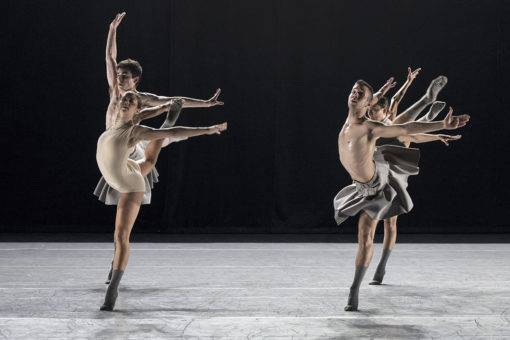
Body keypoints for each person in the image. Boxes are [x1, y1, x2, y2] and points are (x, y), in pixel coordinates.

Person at [98, 12, 224, 285]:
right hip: (114, 145)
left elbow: (175, 100)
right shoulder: (115, 95)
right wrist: (112, 30)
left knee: (158, 142)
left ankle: (168, 132)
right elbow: (109, 57)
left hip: (133, 143)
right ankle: (166, 133)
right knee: (154, 142)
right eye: (118, 75)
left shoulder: (142, 99)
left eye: (125, 76)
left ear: (136, 80)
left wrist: (205, 103)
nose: (119, 79)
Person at [334, 79, 469, 311]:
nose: (354, 95)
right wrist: (380, 91)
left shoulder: (370, 127)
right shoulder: (349, 118)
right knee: (368, 232)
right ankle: (427, 103)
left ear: (368, 104)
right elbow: (371, 98)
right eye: (353, 91)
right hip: (360, 184)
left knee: (367, 234)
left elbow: (406, 129)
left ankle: (354, 289)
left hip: (377, 186)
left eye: (360, 94)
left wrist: (441, 126)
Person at [97, 91, 227, 311]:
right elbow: (157, 107)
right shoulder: (117, 122)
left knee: (120, 236)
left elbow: (173, 132)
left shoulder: (134, 129)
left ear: (136, 110)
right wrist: (172, 107)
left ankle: (112, 291)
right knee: (147, 160)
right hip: (126, 170)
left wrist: (206, 129)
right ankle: (169, 117)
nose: (126, 100)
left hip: (130, 184)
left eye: (131, 100)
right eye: (124, 99)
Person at [367, 68, 461, 285]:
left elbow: (414, 133)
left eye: (374, 112)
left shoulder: (391, 119)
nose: (370, 115)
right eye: (369, 112)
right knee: (400, 128)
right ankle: (427, 108)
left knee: (390, 224)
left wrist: (438, 135)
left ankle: (381, 267)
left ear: (383, 111)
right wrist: (407, 82)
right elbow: (397, 106)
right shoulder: (373, 127)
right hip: (378, 174)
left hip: (396, 175)